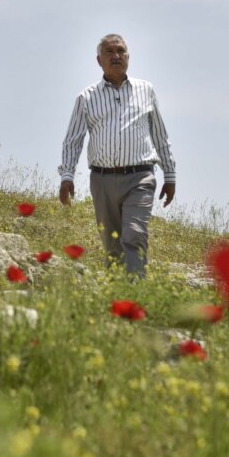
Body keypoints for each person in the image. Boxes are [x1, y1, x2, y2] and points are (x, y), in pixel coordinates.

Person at [58, 33, 177, 277]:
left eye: (121, 51)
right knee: (112, 244)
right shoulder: (86, 98)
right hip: (102, 181)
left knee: (134, 233)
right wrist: (67, 175)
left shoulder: (146, 90)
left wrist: (170, 175)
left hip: (140, 177)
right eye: (110, 52)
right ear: (99, 60)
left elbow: (160, 135)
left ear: (128, 57)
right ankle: (116, 298)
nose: (116, 56)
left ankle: (135, 292)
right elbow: (73, 140)